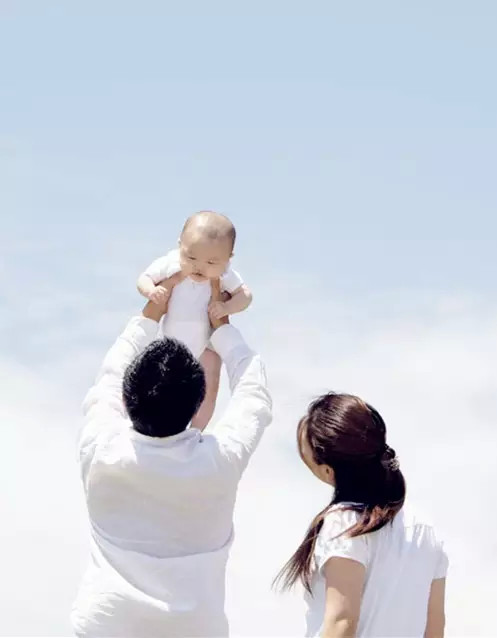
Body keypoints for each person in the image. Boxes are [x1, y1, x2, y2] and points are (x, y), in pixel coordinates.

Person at [71, 280, 271, 638]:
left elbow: (111, 373)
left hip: (104, 625)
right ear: (198, 406)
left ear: (126, 398)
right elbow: (254, 397)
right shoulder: (219, 461)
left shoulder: (101, 447)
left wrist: (151, 314)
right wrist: (222, 328)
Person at [276, 392, 447, 638]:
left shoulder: (343, 523)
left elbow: (342, 622)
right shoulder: (426, 529)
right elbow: (435, 630)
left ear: (328, 471)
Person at [136, 210, 252, 429]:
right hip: (171, 340)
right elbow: (144, 278)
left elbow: (245, 296)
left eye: (211, 262)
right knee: (162, 383)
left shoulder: (225, 274)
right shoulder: (171, 263)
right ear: (180, 245)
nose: (200, 266)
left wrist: (227, 307)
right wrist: (151, 290)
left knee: (209, 387)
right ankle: (164, 425)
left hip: (207, 343)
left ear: (228, 259)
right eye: (191, 258)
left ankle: (197, 429)